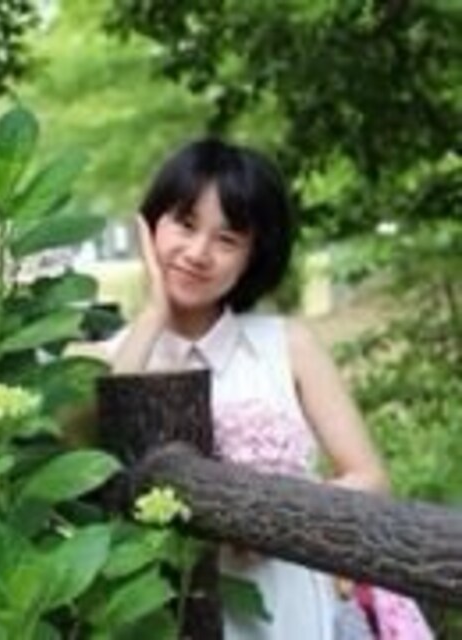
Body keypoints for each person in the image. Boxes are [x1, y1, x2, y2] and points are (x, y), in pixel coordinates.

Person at [101, 138, 390, 639]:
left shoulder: (289, 345)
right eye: (185, 224)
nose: (198, 253)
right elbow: (101, 460)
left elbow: (370, 478)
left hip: (287, 606)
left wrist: (274, 518)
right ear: (150, 226)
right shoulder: (110, 356)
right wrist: (153, 315)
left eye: (227, 239)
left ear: (253, 255)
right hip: (157, 612)